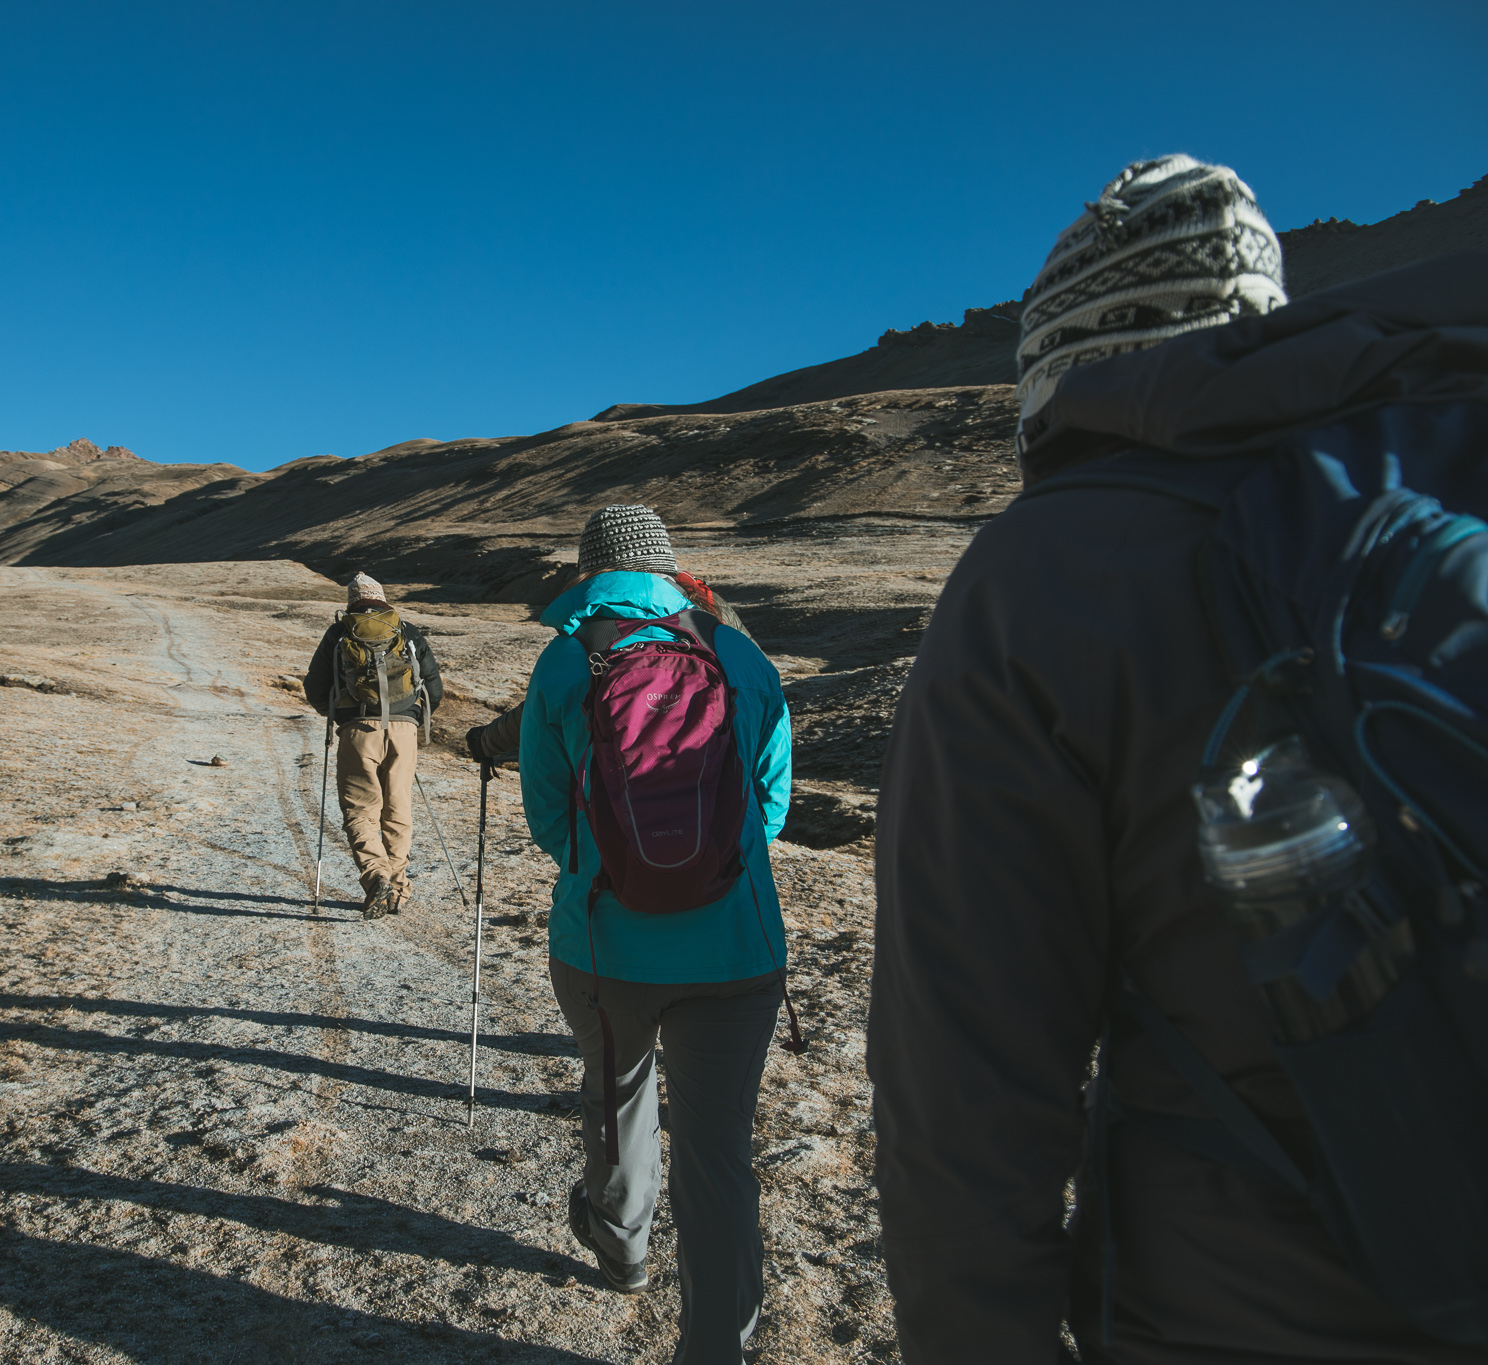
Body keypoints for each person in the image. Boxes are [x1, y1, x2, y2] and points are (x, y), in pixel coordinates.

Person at [869, 154, 1486, 1363]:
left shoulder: (1042, 573)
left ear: (1059, 361)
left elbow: (968, 1068)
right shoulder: (1438, 476)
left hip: (1240, 1297)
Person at [518, 503, 793, 1364]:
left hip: (607, 947)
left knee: (616, 1097)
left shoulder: (565, 662)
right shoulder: (739, 654)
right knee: (719, 1154)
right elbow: (773, 804)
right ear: (669, 568)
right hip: (736, 951)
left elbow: (548, 818)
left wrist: (617, 865)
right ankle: (715, 1346)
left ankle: (624, 1245)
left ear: (591, 571)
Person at [465, 567, 753, 765]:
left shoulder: (571, 649)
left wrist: (576, 848)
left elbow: (538, 730)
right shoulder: (723, 632)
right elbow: (769, 730)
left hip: (609, 843)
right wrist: (750, 833)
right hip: (729, 841)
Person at [304, 572, 444, 919]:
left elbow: (314, 687)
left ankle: (376, 877)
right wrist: (412, 717)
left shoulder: (339, 633)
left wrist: (340, 716)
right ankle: (397, 891)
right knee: (398, 812)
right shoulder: (406, 631)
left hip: (358, 731)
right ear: (382, 599)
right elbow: (434, 686)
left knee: (361, 811)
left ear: (352, 600)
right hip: (404, 732)